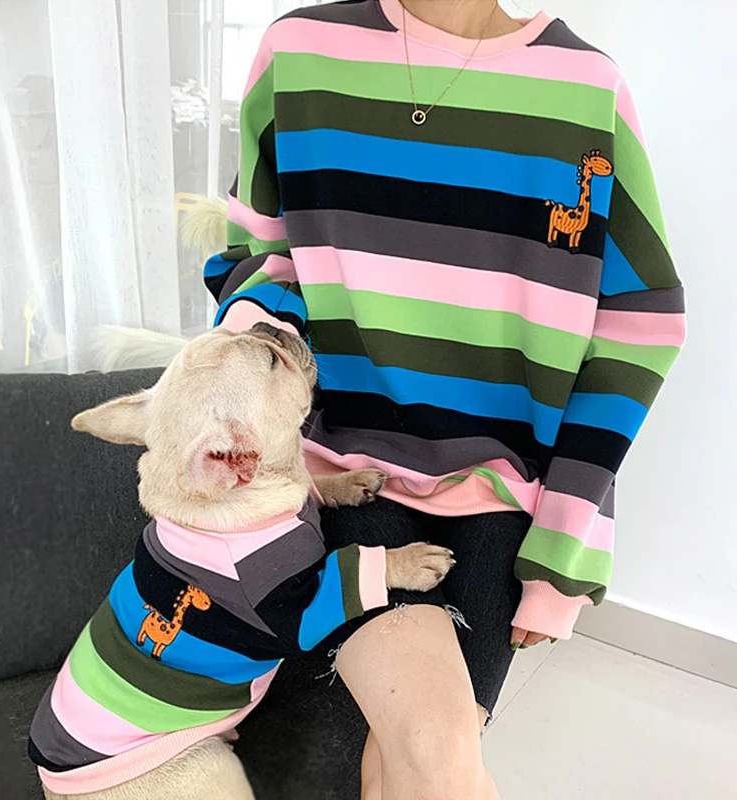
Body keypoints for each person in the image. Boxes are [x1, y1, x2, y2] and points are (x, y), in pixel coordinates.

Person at [205, 1, 685, 797]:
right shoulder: (300, 50)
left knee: (412, 760)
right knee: (433, 752)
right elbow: (257, 256)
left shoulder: (584, 87)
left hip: (509, 493)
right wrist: (263, 358)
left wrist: (565, 543)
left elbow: (641, 322)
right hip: (342, 466)